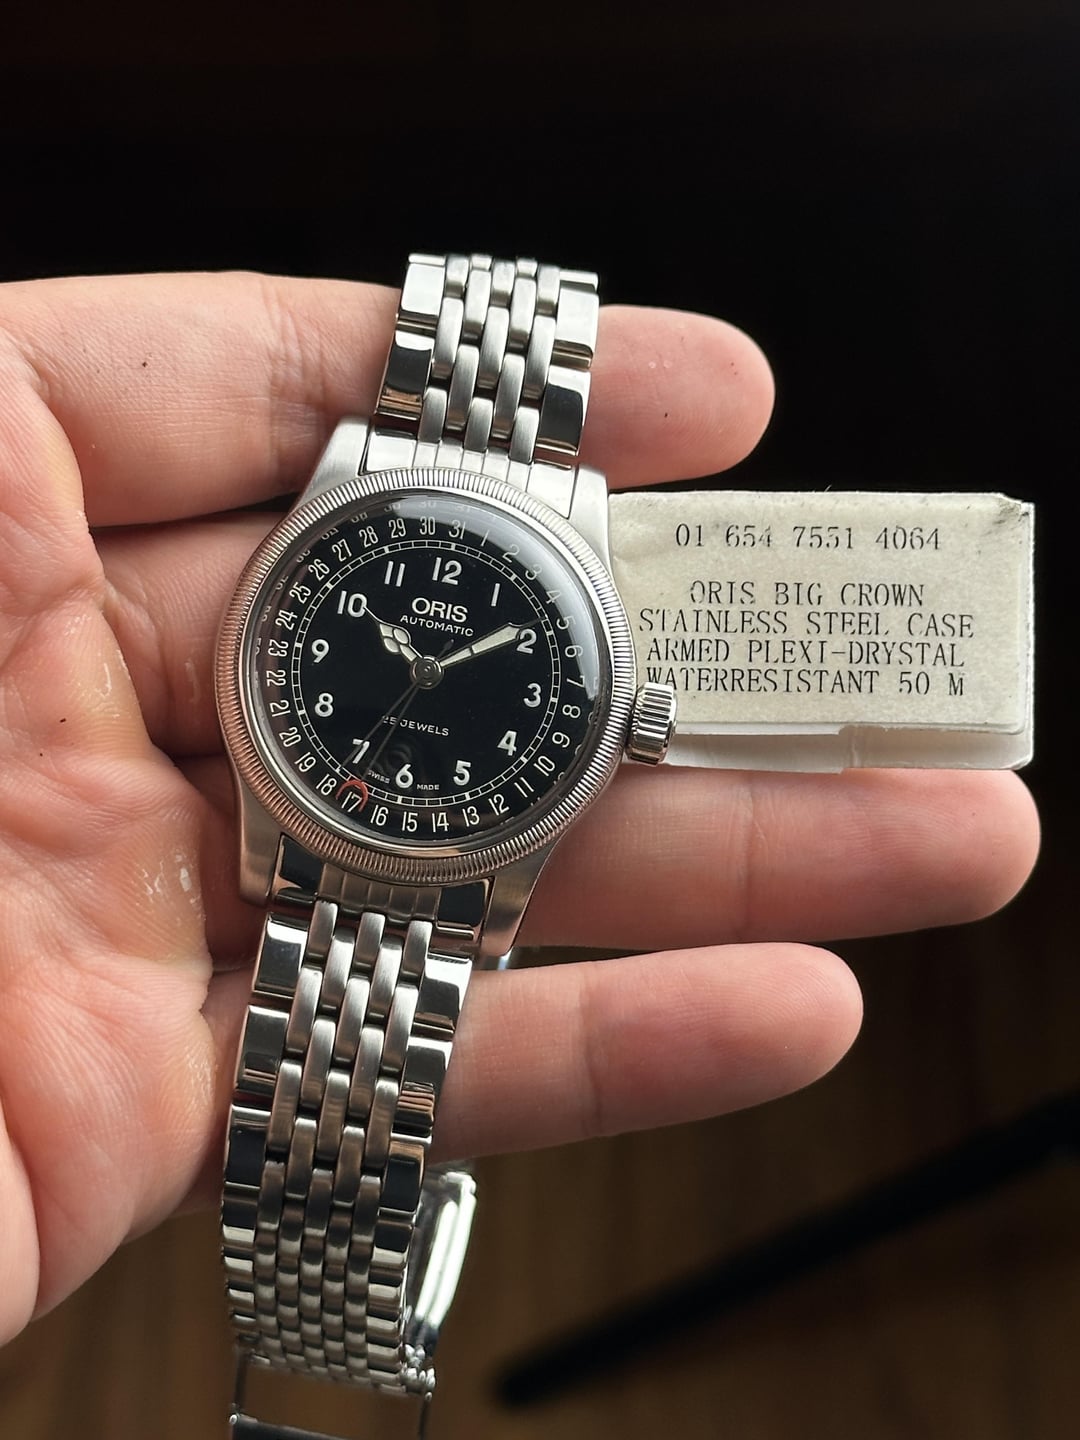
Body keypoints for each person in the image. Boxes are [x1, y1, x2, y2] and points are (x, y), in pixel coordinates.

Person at [0, 271, 1039, 1349]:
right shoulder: (345, 498)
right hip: (300, 804)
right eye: (409, 649)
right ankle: (319, 1320)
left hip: (412, 831)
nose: (425, 670)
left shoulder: (521, 637)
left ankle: (316, 1318)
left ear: (629, 716)